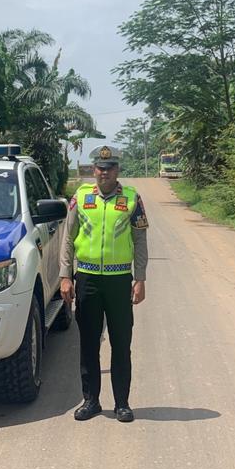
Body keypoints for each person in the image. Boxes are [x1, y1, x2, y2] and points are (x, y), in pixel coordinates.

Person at [58, 146, 148, 423]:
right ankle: (91, 401)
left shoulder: (132, 198)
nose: (104, 172)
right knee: (88, 343)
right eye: (100, 167)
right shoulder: (81, 197)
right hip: (87, 280)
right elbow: (67, 238)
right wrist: (64, 275)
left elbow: (140, 241)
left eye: (109, 168)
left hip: (120, 280)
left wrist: (140, 278)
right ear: (93, 169)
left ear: (117, 170)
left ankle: (122, 403)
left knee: (122, 343)